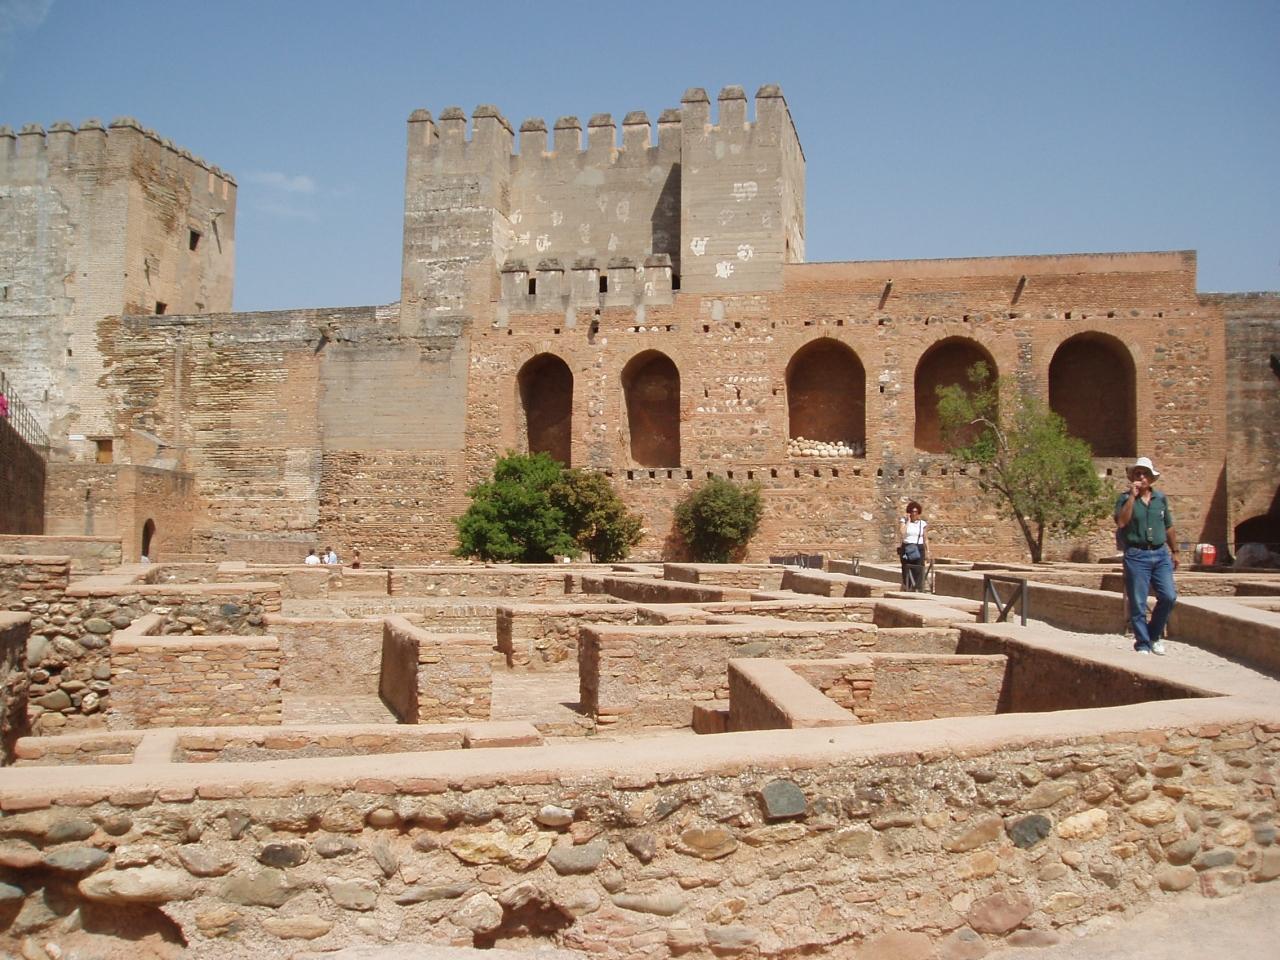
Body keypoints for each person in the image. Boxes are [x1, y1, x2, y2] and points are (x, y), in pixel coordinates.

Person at [1115, 456, 1179, 655]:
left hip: (1160, 553)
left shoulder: (1160, 499)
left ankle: (1154, 635)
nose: (1141, 477)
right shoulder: (1124, 499)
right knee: (1138, 601)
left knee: (1168, 596)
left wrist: (1175, 551)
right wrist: (1132, 498)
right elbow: (1121, 522)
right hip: (1136, 555)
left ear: (1151, 478)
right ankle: (1142, 643)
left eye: (1144, 474)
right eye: (1137, 473)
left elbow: (1168, 526)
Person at [898, 501, 929, 592]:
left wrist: (928, 551)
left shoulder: (922, 523)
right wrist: (908, 521)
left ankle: (917, 588)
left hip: (919, 547)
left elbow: (925, 538)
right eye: (912, 511)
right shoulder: (903, 521)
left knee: (919, 568)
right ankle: (907, 586)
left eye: (916, 511)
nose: (914, 513)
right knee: (906, 568)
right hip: (907, 547)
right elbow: (902, 532)